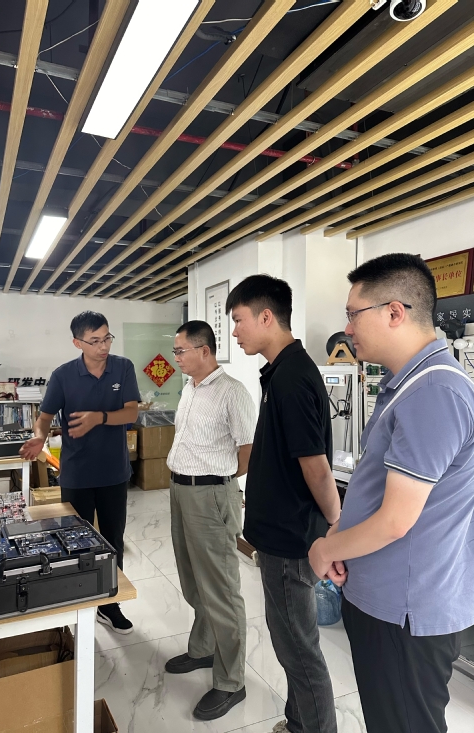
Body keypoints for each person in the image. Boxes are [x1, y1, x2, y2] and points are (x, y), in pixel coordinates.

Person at [308, 253, 474, 733]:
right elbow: (379, 490)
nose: (347, 330)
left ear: (395, 312)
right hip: (384, 597)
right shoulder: (409, 385)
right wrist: (341, 535)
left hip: (404, 610)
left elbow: (396, 520)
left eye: (353, 314)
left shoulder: (434, 391)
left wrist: (325, 549)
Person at [226, 275, 341, 733]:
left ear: (266, 317)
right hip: (281, 535)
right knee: (291, 643)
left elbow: (316, 466)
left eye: (239, 320)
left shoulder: (292, 377)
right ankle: (298, 723)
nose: (235, 331)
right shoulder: (281, 371)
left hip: (293, 541)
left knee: (299, 649)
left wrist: (335, 525)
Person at [20, 311, 139, 633]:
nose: (104, 346)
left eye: (107, 338)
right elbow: (44, 417)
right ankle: (78, 600)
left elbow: (131, 412)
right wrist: (39, 436)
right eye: (95, 341)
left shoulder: (123, 368)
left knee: (113, 540)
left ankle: (109, 604)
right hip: (77, 474)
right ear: (78, 343)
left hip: (114, 473)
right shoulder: (63, 376)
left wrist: (99, 418)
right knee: (74, 541)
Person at [164, 320, 256, 721]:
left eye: (180, 351)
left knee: (220, 588)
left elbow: (247, 450)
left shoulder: (232, 392)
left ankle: (231, 681)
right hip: (180, 491)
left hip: (210, 494)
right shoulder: (190, 387)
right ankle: (203, 648)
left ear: (204, 351)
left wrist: (219, 482)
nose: (176, 357)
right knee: (191, 577)